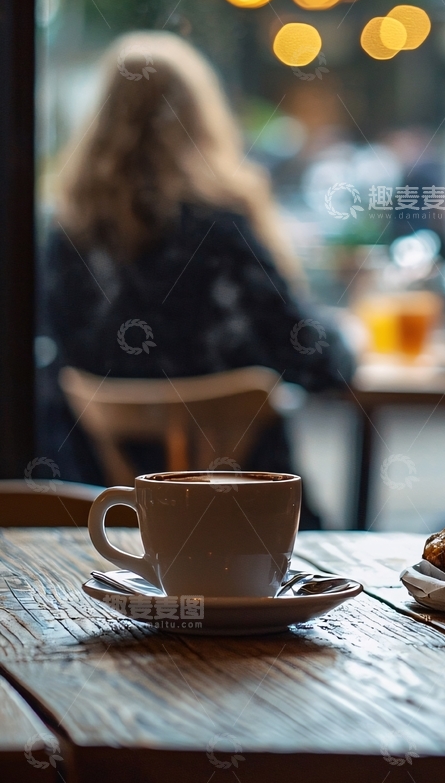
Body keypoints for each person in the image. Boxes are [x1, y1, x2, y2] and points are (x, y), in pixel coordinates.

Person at [40, 31, 353, 518]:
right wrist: (347, 337)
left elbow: (48, 358)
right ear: (200, 117)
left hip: (108, 512)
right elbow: (315, 361)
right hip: (246, 514)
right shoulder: (220, 227)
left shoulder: (66, 235)